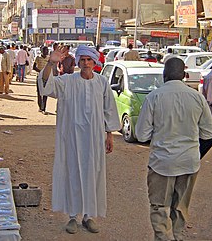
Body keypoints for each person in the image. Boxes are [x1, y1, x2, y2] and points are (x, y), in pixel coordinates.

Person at [38, 45, 120, 234]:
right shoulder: (67, 81)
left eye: (89, 60)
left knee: (93, 174)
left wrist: (109, 135)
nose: (85, 63)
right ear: (78, 62)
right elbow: (46, 85)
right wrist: (51, 63)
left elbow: (109, 110)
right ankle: (73, 217)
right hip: (72, 139)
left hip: (94, 139)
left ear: (94, 62)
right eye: (82, 60)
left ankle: (88, 216)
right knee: (73, 173)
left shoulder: (102, 83)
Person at [135, 57, 212, 241]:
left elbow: (142, 135)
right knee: (179, 207)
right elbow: (208, 132)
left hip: (162, 163)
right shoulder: (197, 97)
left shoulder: (154, 96)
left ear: (164, 75)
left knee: (159, 207)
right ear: (184, 75)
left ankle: (164, 238)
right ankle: (176, 237)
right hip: (189, 163)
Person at [33, 46, 50, 114]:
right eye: (45, 50)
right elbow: (34, 67)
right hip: (39, 77)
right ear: (42, 51)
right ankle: (40, 107)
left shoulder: (48, 58)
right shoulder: (38, 57)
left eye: (47, 50)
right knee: (39, 93)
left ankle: (44, 108)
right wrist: (40, 71)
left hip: (46, 77)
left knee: (46, 93)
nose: (47, 52)